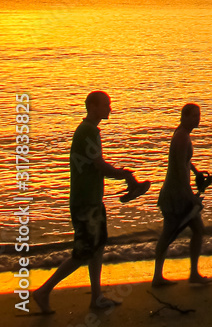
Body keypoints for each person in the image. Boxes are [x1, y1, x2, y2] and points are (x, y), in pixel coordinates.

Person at [31, 91, 141, 313]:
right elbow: (99, 165)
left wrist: (122, 175)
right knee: (82, 252)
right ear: (92, 107)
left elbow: (95, 165)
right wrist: (124, 174)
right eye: (106, 105)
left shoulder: (89, 130)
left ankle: (96, 297)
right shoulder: (88, 131)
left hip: (91, 200)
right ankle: (43, 291)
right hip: (85, 203)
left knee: (98, 247)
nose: (110, 108)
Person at [152, 102, 211, 286]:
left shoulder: (183, 134)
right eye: (194, 115)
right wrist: (191, 196)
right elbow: (178, 169)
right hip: (175, 195)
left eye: (198, 115)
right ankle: (157, 277)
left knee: (198, 230)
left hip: (181, 192)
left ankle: (193, 273)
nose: (197, 118)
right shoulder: (181, 137)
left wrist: (195, 172)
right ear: (184, 117)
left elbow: (183, 160)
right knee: (168, 233)